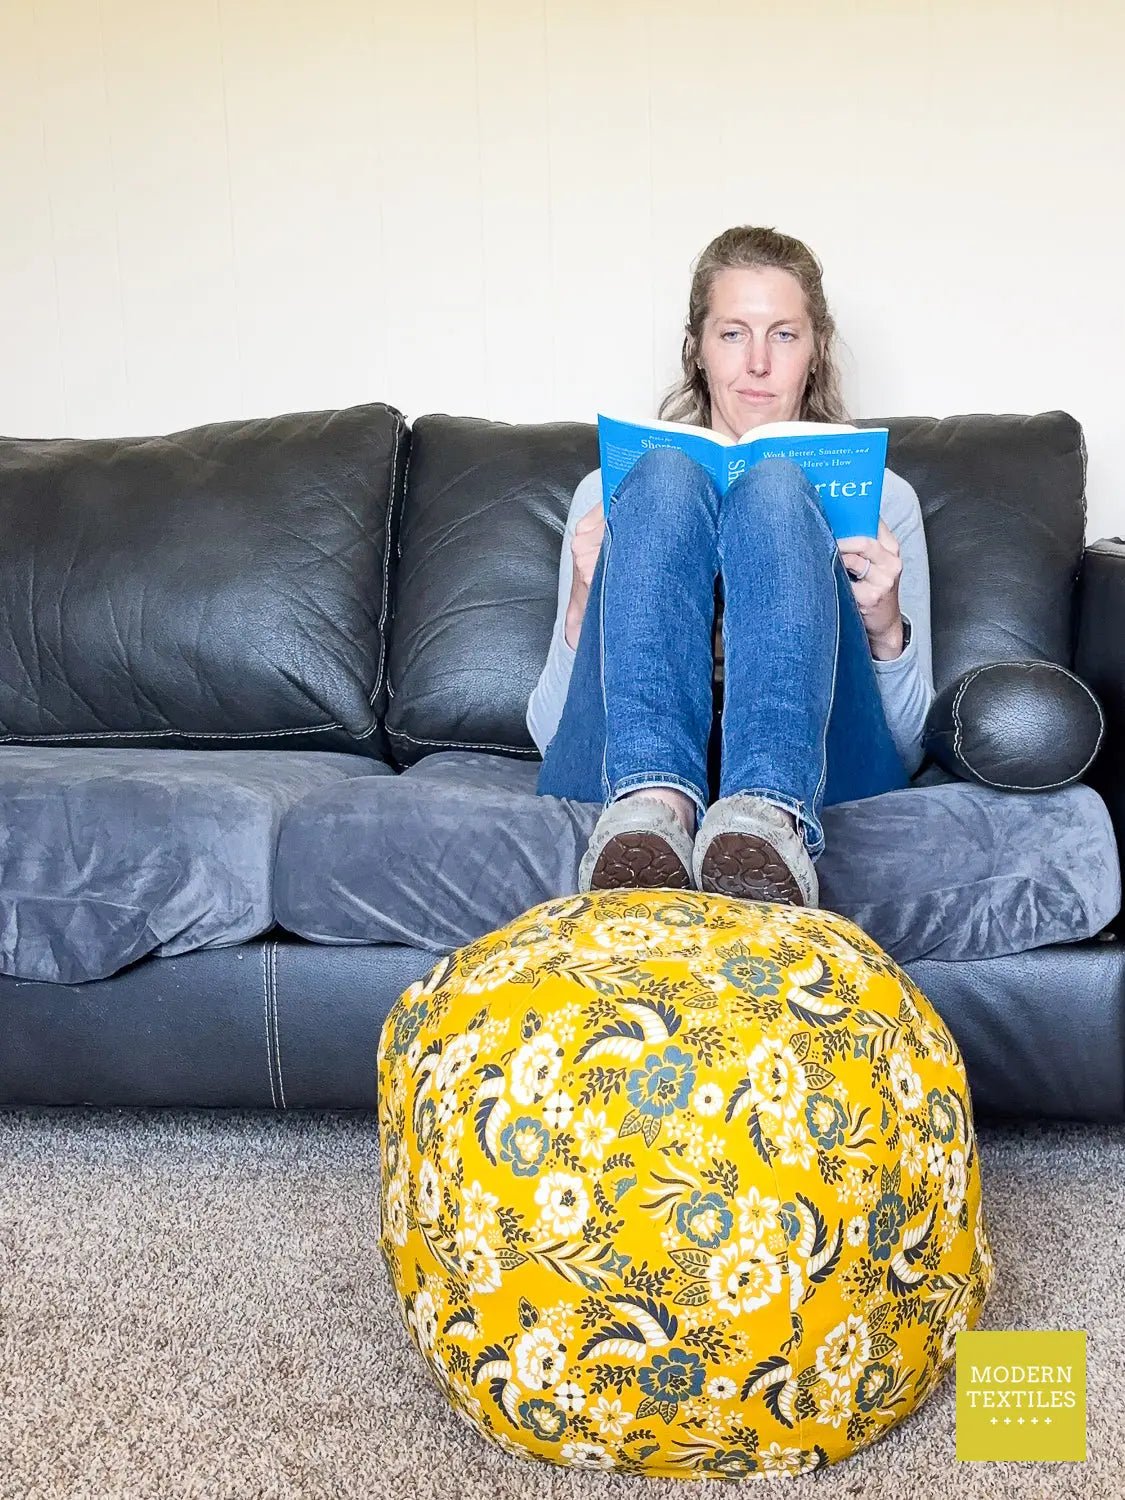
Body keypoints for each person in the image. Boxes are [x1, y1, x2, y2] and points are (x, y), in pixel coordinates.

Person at [527, 225, 934, 907]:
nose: (756, 364)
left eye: (782, 334)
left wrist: (886, 631)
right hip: (615, 775)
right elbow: (547, 735)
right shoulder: (604, 495)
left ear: (816, 350)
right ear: (696, 349)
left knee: (776, 487)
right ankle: (653, 804)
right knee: (662, 478)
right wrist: (584, 602)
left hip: (821, 772)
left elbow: (912, 746)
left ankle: (766, 814)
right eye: (731, 334)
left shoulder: (884, 498)